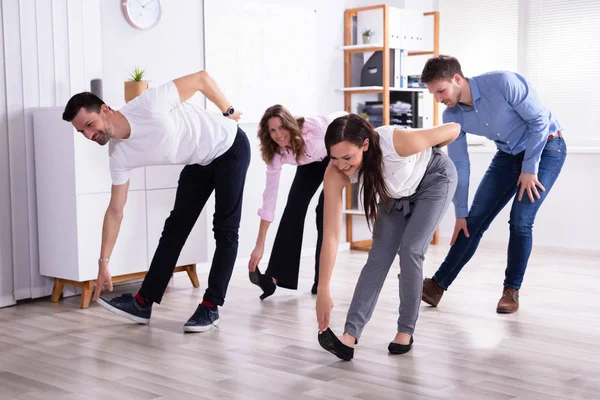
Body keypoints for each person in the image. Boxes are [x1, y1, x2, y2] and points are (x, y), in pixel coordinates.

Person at [61, 70, 250, 332]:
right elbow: (115, 210)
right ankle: (143, 302)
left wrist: (228, 111)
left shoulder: (149, 104)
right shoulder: (118, 155)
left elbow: (201, 79)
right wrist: (103, 262)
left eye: (89, 125)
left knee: (225, 230)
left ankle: (210, 306)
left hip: (228, 147)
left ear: (105, 110)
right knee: (175, 228)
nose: (88, 135)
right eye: (81, 131)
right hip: (198, 162)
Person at [419, 55, 567, 313]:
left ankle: (511, 291)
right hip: (508, 155)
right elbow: (460, 165)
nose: (439, 99)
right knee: (473, 221)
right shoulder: (452, 115)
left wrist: (530, 168)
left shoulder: (502, 82)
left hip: (546, 147)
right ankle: (436, 286)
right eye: (433, 94)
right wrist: (460, 213)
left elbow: (539, 122)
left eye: (440, 91)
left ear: (456, 79)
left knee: (521, 220)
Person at [315, 114, 459, 361]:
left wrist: (424, 148)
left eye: (347, 157)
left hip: (434, 180)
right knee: (377, 258)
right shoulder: (335, 171)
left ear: (366, 145)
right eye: (334, 158)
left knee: (411, 250)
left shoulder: (395, 142)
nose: (341, 165)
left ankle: (405, 330)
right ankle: (349, 336)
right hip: (394, 194)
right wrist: (323, 289)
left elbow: (453, 128)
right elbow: (330, 233)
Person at [248, 105, 347, 299]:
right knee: (293, 208)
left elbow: (342, 118)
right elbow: (269, 197)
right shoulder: (275, 153)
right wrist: (260, 244)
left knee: (323, 212)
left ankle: (321, 281)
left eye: (281, 127)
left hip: (332, 157)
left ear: (290, 123)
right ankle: (273, 278)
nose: (279, 134)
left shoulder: (314, 128)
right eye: (273, 130)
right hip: (309, 162)